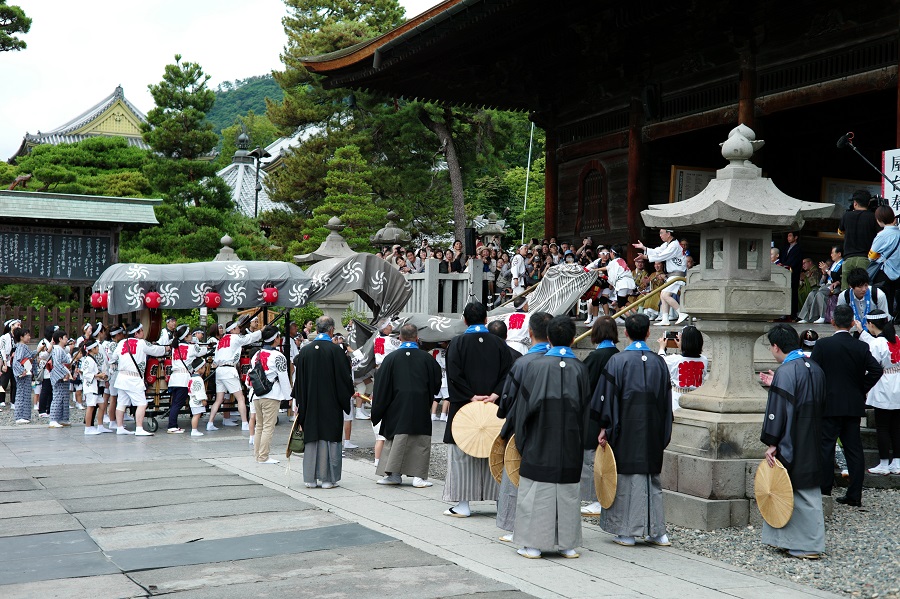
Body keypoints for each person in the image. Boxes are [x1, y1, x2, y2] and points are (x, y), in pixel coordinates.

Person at [508, 316, 590, 559]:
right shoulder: (580, 368)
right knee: (567, 492)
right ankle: (567, 544)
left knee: (536, 492)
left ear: (549, 338)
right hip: (570, 441)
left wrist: (521, 441)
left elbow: (522, 410)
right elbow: (585, 411)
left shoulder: (535, 366)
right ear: (573, 338)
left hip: (539, 439)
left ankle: (533, 544)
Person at [590, 313, 673, 546]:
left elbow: (606, 400)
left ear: (625, 333)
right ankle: (658, 531)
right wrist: (664, 431)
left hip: (625, 427)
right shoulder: (659, 362)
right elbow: (667, 402)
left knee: (626, 478)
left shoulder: (617, 362)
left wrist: (604, 427)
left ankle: (627, 532)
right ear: (648, 333)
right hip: (654, 428)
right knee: (652, 478)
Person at [758, 323, 826, 559]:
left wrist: (772, 441)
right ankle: (794, 541)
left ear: (776, 347)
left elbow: (778, 409)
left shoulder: (786, 372)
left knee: (792, 489)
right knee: (806, 488)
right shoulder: (815, 368)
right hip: (814, 434)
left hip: (792, 437)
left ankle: (809, 544)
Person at [443, 302, 514, 517]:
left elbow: (453, 374)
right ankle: (499, 500)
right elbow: (508, 373)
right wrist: (495, 394)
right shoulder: (500, 344)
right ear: (486, 319)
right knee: (494, 452)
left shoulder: (457, 342)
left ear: (464, 320)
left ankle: (463, 504)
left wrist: (470, 396)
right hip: (494, 407)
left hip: (465, 407)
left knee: (463, 454)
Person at [810, 305, 883, 507]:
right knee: (854, 450)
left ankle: (825, 490)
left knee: (826, 448)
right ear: (852, 323)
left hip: (829, 404)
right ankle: (854, 494)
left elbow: (814, 372)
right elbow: (876, 370)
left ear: (833, 322)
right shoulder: (860, 346)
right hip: (853, 404)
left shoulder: (823, 345)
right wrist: (861, 388)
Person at [495, 311, 553, 541]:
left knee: (518, 476)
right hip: (556, 431)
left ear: (530, 333)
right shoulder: (568, 363)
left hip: (523, 430)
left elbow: (507, 398)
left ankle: (515, 525)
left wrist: (505, 414)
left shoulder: (523, 363)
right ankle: (550, 528)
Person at [371, 323, 441, 488]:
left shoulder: (391, 358)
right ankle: (418, 476)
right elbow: (437, 382)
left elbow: (381, 384)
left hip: (396, 405)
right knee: (419, 440)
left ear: (399, 338)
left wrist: (380, 407)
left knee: (395, 439)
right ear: (417, 338)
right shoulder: (427, 358)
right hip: (420, 403)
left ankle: (394, 474)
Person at [293, 316, 354, 489]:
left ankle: (310, 479)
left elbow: (299, 381)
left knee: (312, 436)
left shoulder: (305, 351)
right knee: (330, 437)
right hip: (331, 403)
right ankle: (328, 479)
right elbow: (344, 380)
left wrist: (300, 401)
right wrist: (346, 396)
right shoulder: (336, 351)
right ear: (331, 330)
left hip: (310, 402)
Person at [579, 316, 619, 517]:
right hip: (615, 413)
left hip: (594, 413)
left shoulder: (595, 358)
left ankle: (595, 499)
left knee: (592, 458)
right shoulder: (619, 355)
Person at [853, 311, 900, 475]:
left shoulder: (877, 343)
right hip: (897, 383)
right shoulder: (896, 339)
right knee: (896, 426)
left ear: (871, 324)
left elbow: (871, 366)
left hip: (884, 386)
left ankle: (884, 463)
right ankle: (897, 462)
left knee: (883, 427)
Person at [110, 322, 167, 436]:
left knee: (121, 403)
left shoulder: (121, 343)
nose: (143, 332)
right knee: (142, 403)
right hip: (133, 378)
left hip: (121, 376)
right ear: (136, 333)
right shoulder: (141, 343)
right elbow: (156, 350)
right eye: (141, 330)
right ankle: (139, 428)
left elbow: (113, 357)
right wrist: (166, 348)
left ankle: (120, 427)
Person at [208, 318, 261, 431]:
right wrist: (262, 331)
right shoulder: (235, 338)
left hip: (219, 370)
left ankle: (210, 423)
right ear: (232, 330)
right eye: (237, 328)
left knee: (219, 399)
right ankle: (245, 423)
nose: (239, 330)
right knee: (240, 398)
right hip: (228, 369)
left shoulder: (221, 341)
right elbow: (249, 338)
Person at [251, 325, 293, 464]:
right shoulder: (279, 356)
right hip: (272, 394)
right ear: (275, 339)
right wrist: (289, 397)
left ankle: (258, 455)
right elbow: (284, 378)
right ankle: (263, 456)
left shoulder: (256, 354)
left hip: (257, 394)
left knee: (260, 426)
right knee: (268, 426)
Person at [633, 229, 688, 325]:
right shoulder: (667, 244)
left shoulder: (674, 245)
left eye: (662, 233)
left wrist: (645, 257)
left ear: (668, 233)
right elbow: (657, 251)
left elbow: (662, 256)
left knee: (665, 295)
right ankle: (665, 319)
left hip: (677, 274)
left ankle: (681, 313)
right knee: (663, 295)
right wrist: (644, 248)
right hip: (673, 275)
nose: (660, 235)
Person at [657, 325, 708, 411]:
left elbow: (659, 362)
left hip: (677, 399)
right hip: (697, 398)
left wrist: (662, 348)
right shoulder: (704, 360)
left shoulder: (673, 359)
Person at [838, 189, 879, 291]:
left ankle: (845, 307)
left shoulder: (846, 216)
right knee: (864, 290)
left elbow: (840, 232)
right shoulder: (873, 217)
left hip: (848, 259)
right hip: (865, 259)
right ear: (869, 203)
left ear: (855, 203)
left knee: (845, 292)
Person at [167, 324, 204, 434]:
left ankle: (173, 425)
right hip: (183, 379)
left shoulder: (175, 347)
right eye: (189, 334)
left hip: (174, 378)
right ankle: (172, 426)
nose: (190, 336)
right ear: (185, 337)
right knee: (178, 403)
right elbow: (202, 351)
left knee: (175, 403)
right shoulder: (191, 347)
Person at [797, 245, 843, 324]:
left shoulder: (843, 263)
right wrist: (824, 273)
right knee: (812, 293)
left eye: (832, 253)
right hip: (827, 285)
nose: (831, 255)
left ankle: (822, 316)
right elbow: (824, 280)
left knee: (820, 293)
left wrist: (826, 269)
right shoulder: (833, 264)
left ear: (839, 254)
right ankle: (806, 317)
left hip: (836, 287)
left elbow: (838, 277)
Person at [869, 205, 900, 318]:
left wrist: (881, 257)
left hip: (885, 272)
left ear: (879, 219)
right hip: (898, 271)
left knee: (886, 301)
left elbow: (871, 256)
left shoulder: (882, 235)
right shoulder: (898, 233)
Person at [836, 268, 890, 332]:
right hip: (853, 331)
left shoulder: (878, 294)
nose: (864, 289)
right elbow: (840, 319)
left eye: (866, 285)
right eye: (860, 286)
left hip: (874, 331)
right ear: (851, 286)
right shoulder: (844, 296)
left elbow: (885, 317)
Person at [80, 341, 110, 435]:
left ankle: (100, 426)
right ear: (93, 349)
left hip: (96, 387)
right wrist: (98, 375)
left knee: (102, 405)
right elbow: (86, 374)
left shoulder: (92, 359)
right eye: (96, 347)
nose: (98, 348)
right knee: (91, 407)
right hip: (91, 387)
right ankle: (88, 428)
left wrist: (101, 376)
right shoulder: (88, 360)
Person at [48, 328, 72, 429]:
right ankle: (53, 419)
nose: (67, 339)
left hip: (64, 375)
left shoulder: (61, 349)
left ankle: (62, 418)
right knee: (58, 397)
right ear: (60, 339)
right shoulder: (57, 349)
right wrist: (64, 373)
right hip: (60, 376)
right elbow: (57, 363)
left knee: (64, 398)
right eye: (65, 337)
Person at [12, 327, 35, 424]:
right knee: (21, 394)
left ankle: (24, 416)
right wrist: (21, 371)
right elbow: (16, 361)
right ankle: (19, 416)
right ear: (21, 337)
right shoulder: (21, 347)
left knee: (25, 394)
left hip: (26, 373)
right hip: (23, 374)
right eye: (27, 335)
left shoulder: (23, 347)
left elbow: (29, 356)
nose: (29, 337)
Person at [781, 231, 804, 319]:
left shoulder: (798, 248)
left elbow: (794, 261)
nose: (788, 238)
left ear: (796, 237)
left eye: (790, 236)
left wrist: (787, 265)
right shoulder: (786, 247)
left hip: (793, 273)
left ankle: (792, 313)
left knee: (793, 292)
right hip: (784, 272)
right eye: (788, 236)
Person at [187, 357, 209, 437]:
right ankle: (194, 430)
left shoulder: (191, 378)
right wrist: (203, 399)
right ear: (200, 368)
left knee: (195, 415)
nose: (205, 369)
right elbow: (199, 391)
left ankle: (194, 430)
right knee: (196, 415)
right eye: (204, 367)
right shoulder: (198, 379)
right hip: (197, 400)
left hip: (192, 399)